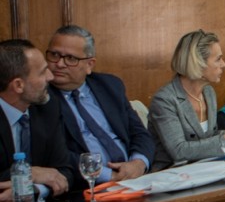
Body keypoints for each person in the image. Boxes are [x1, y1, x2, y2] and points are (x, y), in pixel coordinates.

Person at [46, 25, 155, 187]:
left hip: (134, 178)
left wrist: (138, 164)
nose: (60, 64)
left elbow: (139, 133)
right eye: (54, 55)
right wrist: (107, 175)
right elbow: (57, 155)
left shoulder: (109, 86)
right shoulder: (41, 98)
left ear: (90, 64)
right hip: (87, 186)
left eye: (70, 58)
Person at [0, 39, 75, 202]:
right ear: (18, 85)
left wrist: (33, 190)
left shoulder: (47, 107)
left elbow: (65, 172)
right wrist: (29, 174)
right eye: (42, 72)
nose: (51, 77)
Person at [148, 30, 225, 171]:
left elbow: (209, 138)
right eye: (218, 59)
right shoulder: (164, 100)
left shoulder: (208, 92)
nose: (224, 64)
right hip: (171, 176)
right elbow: (179, 151)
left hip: (206, 170)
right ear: (198, 63)